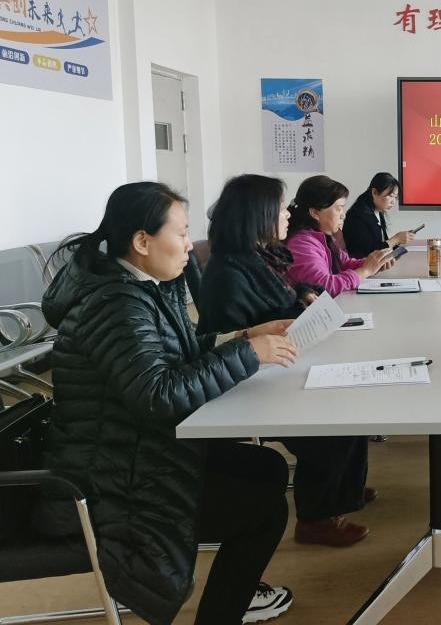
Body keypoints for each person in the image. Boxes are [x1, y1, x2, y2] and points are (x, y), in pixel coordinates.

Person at [36, 181, 297, 625]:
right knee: (263, 509)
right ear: (142, 242)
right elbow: (158, 395)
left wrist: (243, 336)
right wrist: (248, 355)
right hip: (113, 485)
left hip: (135, 452)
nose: (190, 245)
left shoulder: (140, 286)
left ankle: (237, 594)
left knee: (267, 468)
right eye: (181, 233)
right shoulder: (115, 304)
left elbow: (177, 353)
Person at [198, 174, 374, 548]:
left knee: (354, 405)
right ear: (258, 215)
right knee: (332, 426)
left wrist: (306, 296)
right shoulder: (229, 273)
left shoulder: (261, 257)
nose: (287, 215)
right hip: (250, 379)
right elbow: (236, 335)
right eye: (280, 209)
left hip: (281, 360)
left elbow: (285, 296)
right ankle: (315, 519)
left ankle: (343, 493)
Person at [285, 175, 393, 295]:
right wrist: (365, 271)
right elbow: (325, 287)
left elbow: (345, 263)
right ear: (315, 213)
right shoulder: (301, 244)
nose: (343, 215)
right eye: (339, 209)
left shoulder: (322, 236)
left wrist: (374, 263)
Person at [342, 172, 417, 258]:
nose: (393, 201)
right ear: (374, 192)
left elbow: (381, 243)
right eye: (390, 196)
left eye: (395, 197)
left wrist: (399, 242)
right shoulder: (357, 216)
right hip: (361, 264)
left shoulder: (378, 210)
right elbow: (369, 254)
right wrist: (396, 239)